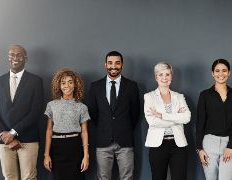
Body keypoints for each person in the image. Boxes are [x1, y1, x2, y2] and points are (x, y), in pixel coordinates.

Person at [0, 45, 44, 180]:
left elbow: (35, 111)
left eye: (19, 55)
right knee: (9, 177)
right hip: (4, 141)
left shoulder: (35, 81)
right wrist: (5, 135)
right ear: (8, 58)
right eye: (12, 55)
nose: (15, 58)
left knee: (29, 177)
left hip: (28, 139)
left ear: (26, 58)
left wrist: (13, 133)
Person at [88, 51, 140, 180]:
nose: (113, 66)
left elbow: (135, 113)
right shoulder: (95, 86)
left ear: (122, 65)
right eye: (110, 63)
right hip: (102, 141)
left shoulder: (132, 86)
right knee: (103, 177)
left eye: (117, 63)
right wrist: (105, 128)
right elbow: (93, 113)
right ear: (105, 64)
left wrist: (122, 128)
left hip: (125, 141)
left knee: (127, 177)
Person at [196, 59, 232, 180]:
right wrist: (199, 149)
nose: (220, 74)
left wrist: (231, 146)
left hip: (230, 142)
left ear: (229, 72)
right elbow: (200, 123)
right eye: (217, 71)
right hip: (209, 143)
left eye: (224, 70)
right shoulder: (205, 95)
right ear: (212, 73)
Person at [144, 62, 191, 180]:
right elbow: (152, 122)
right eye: (161, 75)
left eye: (167, 74)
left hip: (178, 145)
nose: (164, 78)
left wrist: (161, 115)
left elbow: (187, 118)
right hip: (157, 146)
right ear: (156, 77)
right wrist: (176, 118)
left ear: (171, 77)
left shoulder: (179, 96)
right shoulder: (149, 97)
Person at [43, 68, 90, 179]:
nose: (66, 86)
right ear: (59, 85)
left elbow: (84, 132)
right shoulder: (51, 105)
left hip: (75, 146)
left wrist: (86, 155)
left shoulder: (82, 107)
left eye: (70, 82)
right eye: (63, 83)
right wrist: (46, 155)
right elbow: (49, 131)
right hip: (57, 147)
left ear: (75, 85)